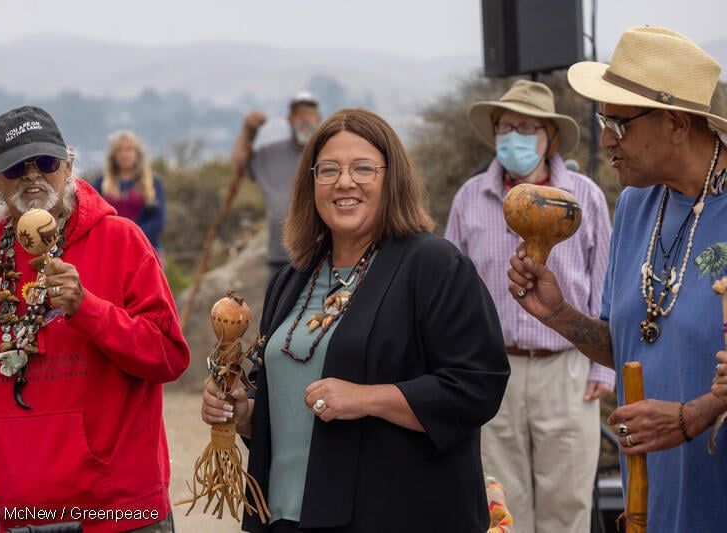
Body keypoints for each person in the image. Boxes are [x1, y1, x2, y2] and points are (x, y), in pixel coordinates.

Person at [203, 108, 510, 533]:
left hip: (394, 516)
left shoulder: (435, 266)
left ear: (391, 178)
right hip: (285, 515)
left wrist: (366, 399)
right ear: (311, 183)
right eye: (328, 170)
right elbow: (280, 405)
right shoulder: (293, 278)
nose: (344, 182)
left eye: (363, 168)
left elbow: (478, 385)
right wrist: (242, 411)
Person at [0, 106, 190, 532]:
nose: (33, 176)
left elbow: (170, 357)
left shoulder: (122, 241)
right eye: (16, 167)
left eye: (45, 163)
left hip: (119, 514)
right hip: (18, 514)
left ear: (67, 166)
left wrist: (88, 308)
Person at [508, 27, 727, 532]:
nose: (605, 139)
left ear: (675, 123)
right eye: (603, 119)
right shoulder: (635, 204)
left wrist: (692, 416)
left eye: (619, 123)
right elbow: (634, 344)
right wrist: (560, 316)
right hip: (651, 497)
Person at [445, 79, 614, 533]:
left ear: (550, 136)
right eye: (505, 126)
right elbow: (451, 287)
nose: (513, 136)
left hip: (568, 367)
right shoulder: (470, 197)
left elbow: (606, 282)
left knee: (569, 500)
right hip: (492, 367)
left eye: (526, 127)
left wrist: (603, 367)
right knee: (501, 501)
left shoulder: (585, 197)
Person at [231, 91, 321, 279]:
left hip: (320, 253)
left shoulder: (327, 152)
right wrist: (248, 131)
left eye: (309, 113)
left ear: (319, 118)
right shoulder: (270, 154)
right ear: (289, 120)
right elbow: (239, 165)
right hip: (279, 256)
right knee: (276, 307)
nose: (304, 119)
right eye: (299, 114)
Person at [93, 130, 165, 255]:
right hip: (110, 249)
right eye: (120, 150)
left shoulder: (153, 183)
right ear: (113, 155)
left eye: (129, 149)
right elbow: (94, 216)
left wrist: (132, 237)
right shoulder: (101, 183)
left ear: (137, 153)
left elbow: (157, 220)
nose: (124, 154)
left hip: (146, 249)